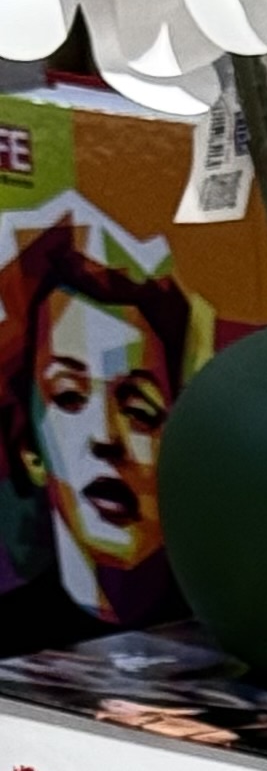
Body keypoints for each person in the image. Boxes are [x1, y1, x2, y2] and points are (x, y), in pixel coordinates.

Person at [0, 202, 194, 627]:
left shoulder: (225, 620)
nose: (106, 436)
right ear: (30, 449)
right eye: (69, 397)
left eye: (140, 408)